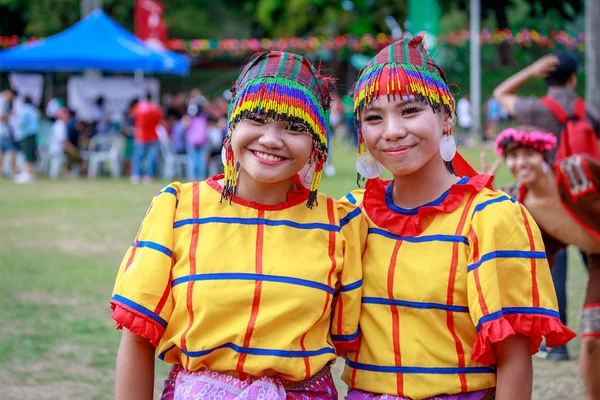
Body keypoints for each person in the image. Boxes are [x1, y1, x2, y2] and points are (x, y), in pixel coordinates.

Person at [110, 51, 363, 400]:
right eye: (256, 118)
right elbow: (138, 339)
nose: (272, 139)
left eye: (294, 126)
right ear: (232, 125)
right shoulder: (178, 208)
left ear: (318, 144)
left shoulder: (342, 224)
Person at [340, 34, 575, 400]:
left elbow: (513, 362)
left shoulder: (491, 217)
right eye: (374, 117)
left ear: (446, 116)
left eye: (409, 110)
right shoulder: (351, 215)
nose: (392, 131)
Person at [493, 51, 600, 359]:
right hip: (584, 196)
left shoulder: (535, 109)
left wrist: (530, 70)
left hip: (547, 197)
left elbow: (501, 93)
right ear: (573, 79)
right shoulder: (588, 110)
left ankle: (557, 346)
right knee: (594, 261)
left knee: (553, 273)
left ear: (546, 77)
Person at [494, 126, 600, 399]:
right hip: (598, 260)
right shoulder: (519, 201)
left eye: (527, 154)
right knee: (591, 342)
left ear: (544, 155)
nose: (520, 162)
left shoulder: (580, 171)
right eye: (513, 156)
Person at [131, 93, 163, 184]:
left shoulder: (138, 107)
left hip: (140, 136)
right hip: (152, 135)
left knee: (138, 156)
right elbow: (159, 121)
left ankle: (136, 175)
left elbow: (134, 119)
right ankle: (148, 176)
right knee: (150, 157)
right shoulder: (155, 108)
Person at [12, 96, 39, 184]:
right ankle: (30, 173)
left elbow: (20, 122)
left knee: (28, 155)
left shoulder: (25, 109)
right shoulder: (33, 109)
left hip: (26, 134)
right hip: (33, 134)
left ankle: (28, 174)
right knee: (31, 154)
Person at [0, 88, 17, 177]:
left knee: (1, 152)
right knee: (12, 150)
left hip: (2, 131)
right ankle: (14, 171)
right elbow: (1, 116)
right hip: (5, 131)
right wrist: (10, 116)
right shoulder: (3, 101)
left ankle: (2, 171)